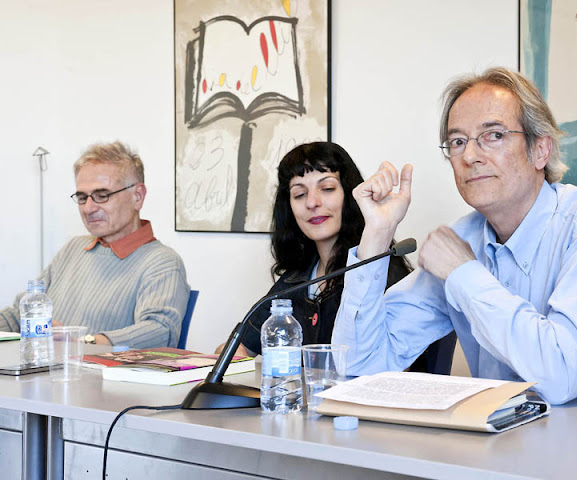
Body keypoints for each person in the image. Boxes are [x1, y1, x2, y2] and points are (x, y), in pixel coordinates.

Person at [332, 67, 577, 405]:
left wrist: (465, 274)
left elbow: (560, 376)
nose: (470, 156)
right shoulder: (462, 238)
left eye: (493, 135)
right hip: (498, 435)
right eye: (457, 142)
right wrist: (377, 235)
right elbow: (358, 366)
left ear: (541, 150)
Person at [234, 141, 455, 373]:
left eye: (327, 188)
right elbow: (238, 349)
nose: (312, 202)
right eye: (299, 194)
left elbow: (391, 374)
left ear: (350, 195)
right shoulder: (295, 279)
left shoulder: (379, 271)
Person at [0, 141, 190, 348]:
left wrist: (82, 342)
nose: (88, 208)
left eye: (102, 196)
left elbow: (160, 332)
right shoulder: (74, 248)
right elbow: (20, 314)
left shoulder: (162, 262)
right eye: (82, 197)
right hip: (49, 366)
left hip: (99, 369)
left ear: (137, 196)